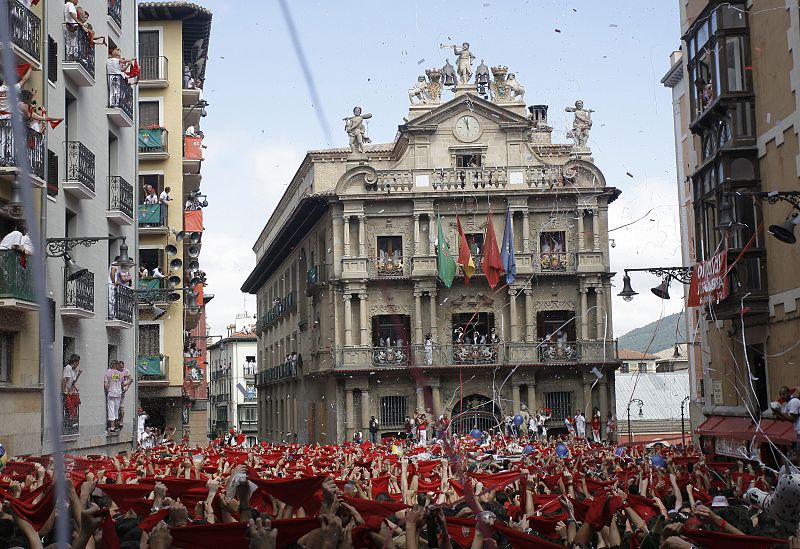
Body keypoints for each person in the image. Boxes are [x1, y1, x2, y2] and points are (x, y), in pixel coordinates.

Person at [104, 360, 125, 433]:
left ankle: (112, 426)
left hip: (111, 393)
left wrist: (107, 391)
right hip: (118, 393)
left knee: (111, 410)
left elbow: (106, 384)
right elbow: (122, 383)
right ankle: (115, 426)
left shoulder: (108, 372)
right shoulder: (120, 374)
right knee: (116, 410)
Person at [62, 354, 81, 428]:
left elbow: (73, 381)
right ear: (74, 362)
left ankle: (72, 421)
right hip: (67, 392)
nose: (78, 364)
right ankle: (70, 422)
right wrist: (64, 390)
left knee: (74, 405)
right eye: (78, 362)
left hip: (71, 391)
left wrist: (78, 374)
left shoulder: (73, 370)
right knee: (70, 407)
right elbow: (65, 379)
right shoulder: (68, 368)